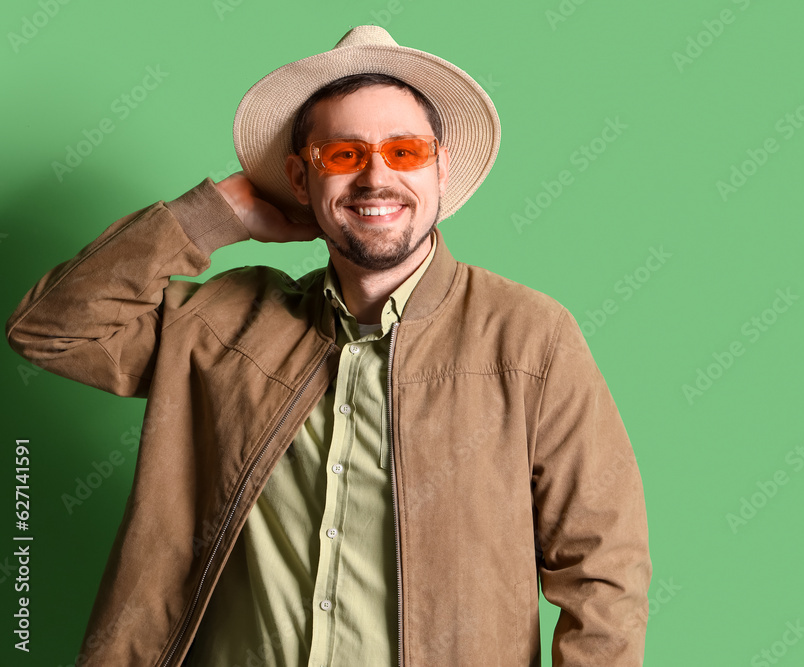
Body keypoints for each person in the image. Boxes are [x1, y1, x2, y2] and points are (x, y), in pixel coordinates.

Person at [6, 25, 651, 666]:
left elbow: (603, 572)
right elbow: (50, 330)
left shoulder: (529, 336)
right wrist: (211, 216)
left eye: (404, 151)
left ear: (440, 168)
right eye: (342, 155)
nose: (376, 176)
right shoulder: (227, 323)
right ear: (299, 176)